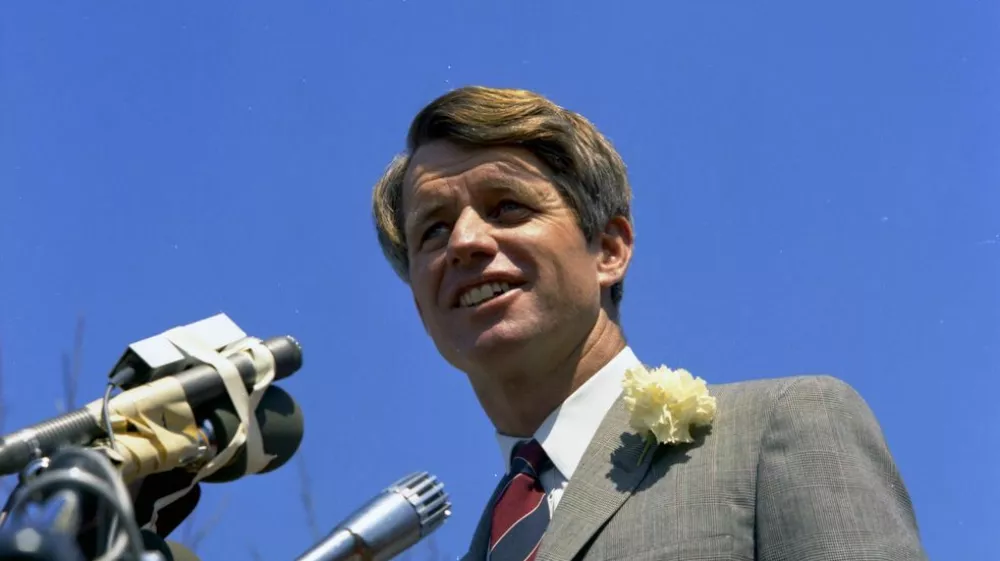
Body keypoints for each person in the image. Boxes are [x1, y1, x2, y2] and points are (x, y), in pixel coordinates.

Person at [370, 86, 928, 561]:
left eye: (508, 207)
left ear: (609, 250)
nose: (465, 242)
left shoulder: (778, 429)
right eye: (433, 232)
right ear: (421, 304)